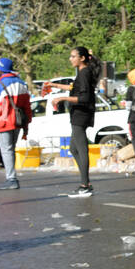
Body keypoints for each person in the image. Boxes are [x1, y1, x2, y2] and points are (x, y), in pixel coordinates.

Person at [44, 47, 102, 196]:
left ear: (82, 58)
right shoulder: (83, 73)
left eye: (73, 56)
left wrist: (61, 98)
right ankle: (85, 182)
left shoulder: (84, 73)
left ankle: (85, 185)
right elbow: (74, 87)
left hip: (81, 115)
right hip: (78, 115)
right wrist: (54, 86)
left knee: (82, 149)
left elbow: (83, 98)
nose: (70, 59)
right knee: (73, 149)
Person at [0, 57, 32, 190]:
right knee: (10, 150)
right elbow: (27, 106)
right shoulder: (22, 83)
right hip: (18, 121)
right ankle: (11, 177)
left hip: (3, 121)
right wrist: (26, 124)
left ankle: (11, 179)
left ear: (0, 69)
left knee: (6, 150)